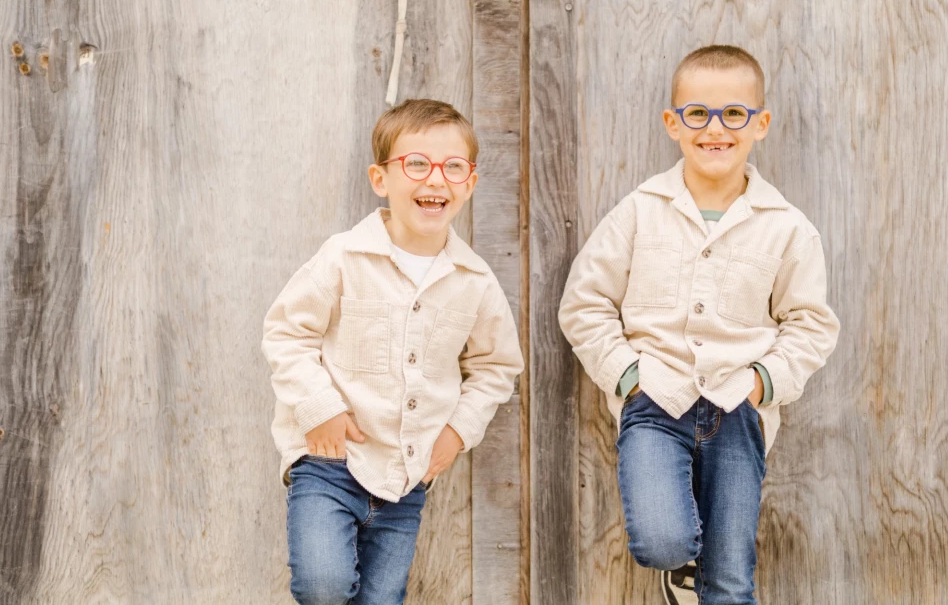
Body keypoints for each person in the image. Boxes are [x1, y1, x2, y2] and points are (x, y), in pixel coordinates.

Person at [559, 46, 840, 605]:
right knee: (663, 540)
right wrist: (629, 375)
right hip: (654, 405)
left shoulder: (786, 229)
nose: (715, 128)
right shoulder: (639, 212)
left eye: (733, 114)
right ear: (673, 123)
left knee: (731, 579)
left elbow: (810, 325)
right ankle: (682, 563)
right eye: (698, 114)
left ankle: (709, 577)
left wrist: (760, 383)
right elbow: (584, 304)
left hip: (740, 412)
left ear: (759, 124)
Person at [263, 98, 523, 605]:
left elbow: (496, 366)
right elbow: (287, 332)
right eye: (417, 164)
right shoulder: (344, 257)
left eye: (453, 167)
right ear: (381, 179)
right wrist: (320, 409)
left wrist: (457, 431)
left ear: (469, 183)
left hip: (406, 478)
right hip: (329, 461)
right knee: (324, 585)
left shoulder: (474, 281)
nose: (435, 180)